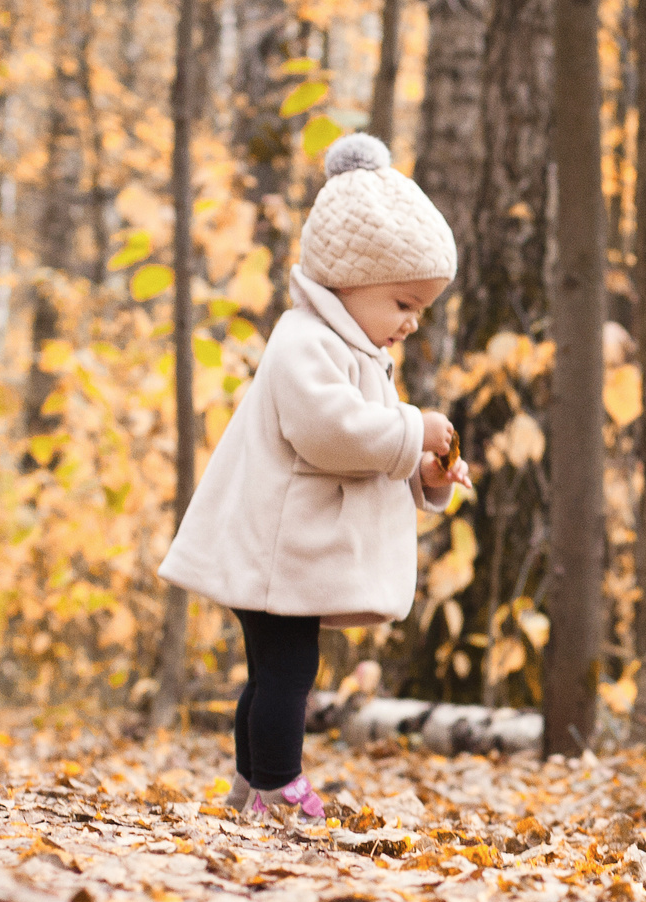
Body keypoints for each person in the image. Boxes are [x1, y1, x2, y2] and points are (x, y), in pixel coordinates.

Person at [160, 133, 469, 822]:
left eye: (420, 307)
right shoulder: (304, 342)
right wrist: (412, 426)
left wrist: (424, 473)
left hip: (289, 556)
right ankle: (278, 783)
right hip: (273, 552)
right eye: (403, 302)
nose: (411, 322)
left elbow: (366, 451)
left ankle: (251, 783)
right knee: (289, 674)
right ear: (349, 279)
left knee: (274, 670)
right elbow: (330, 433)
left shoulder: (353, 347)